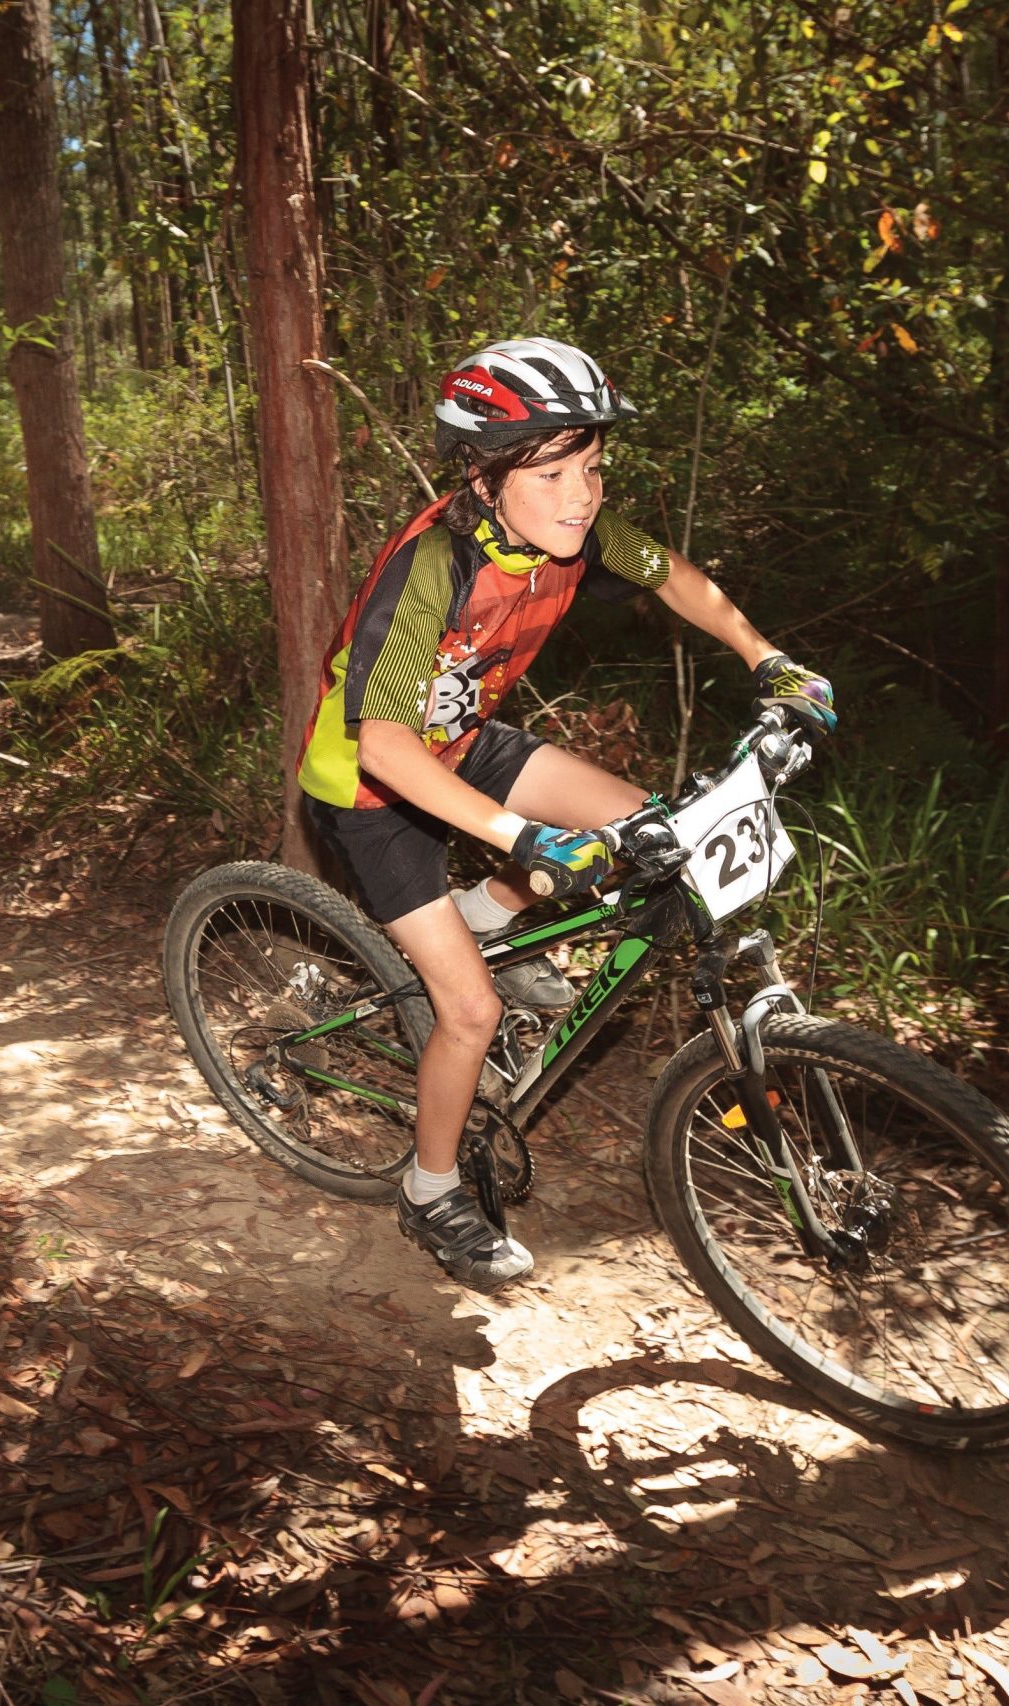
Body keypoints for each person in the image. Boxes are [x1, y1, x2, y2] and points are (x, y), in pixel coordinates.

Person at [296, 336, 836, 1289]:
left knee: (651, 827)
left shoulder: (573, 536)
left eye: (590, 467)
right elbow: (382, 743)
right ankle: (428, 1191)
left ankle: (487, 915)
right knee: (470, 1010)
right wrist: (520, 838)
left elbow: (672, 574)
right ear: (485, 474)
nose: (581, 495)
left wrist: (767, 659)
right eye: (552, 473)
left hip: (465, 746)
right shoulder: (428, 569)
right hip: (372, 789)